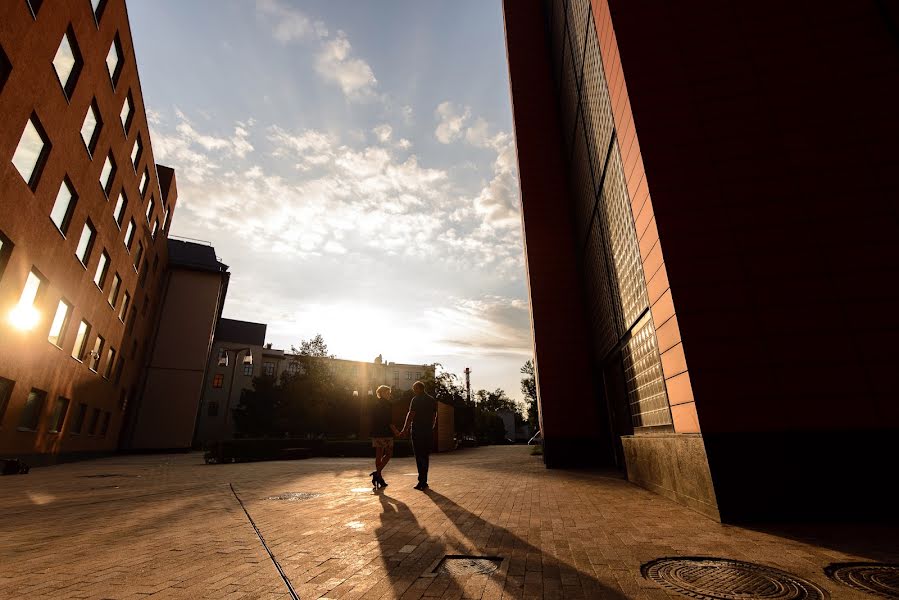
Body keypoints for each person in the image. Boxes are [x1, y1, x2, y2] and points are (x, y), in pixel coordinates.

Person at [400, 381, 437, 490]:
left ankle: (421, 481)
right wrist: (432, 426)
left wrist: (405, 429)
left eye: (414, 389)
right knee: (425, 455)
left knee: (419, 455)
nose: (414, 391)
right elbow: (435, 415)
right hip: (428, 431)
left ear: (418, 389)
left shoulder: (415, 400)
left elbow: (411, 415)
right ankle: (424, 480)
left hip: (417, 430)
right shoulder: (431, 400)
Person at [370, 385, 400, 489]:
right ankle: (378, 473)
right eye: (387, 393)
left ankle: (379, 476)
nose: (389, 394)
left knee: (379, 453)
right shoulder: (388, 404)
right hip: (386, 432)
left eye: (389, 393)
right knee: (388, 453)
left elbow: (373, 419)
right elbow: (389, 420)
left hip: (377, 432)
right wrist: (396, 431)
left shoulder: (374, 404)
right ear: (381, 393)